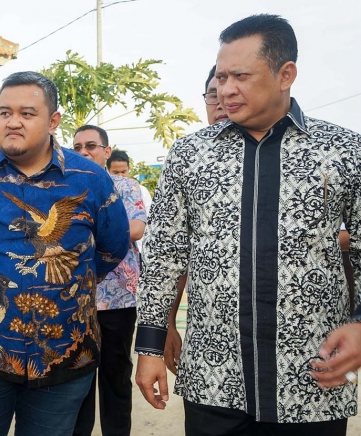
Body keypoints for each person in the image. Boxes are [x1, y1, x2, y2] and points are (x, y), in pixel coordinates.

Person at [135, 14, 361, 435]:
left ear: (285, 74)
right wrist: (148, 347)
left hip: (312, 382)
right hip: (214, 379)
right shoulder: (190, 154)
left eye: (240, 76)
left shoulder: (343, 151)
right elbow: (164, 253)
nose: (226, 89)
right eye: (221, 77)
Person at [0, 71, 130, 435]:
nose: (13, 122)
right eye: (5, 112)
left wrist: (66, 281)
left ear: (53, 121)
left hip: (63, 357)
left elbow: (113, 247)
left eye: (27, 113)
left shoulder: (90, 178)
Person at [72, 125, 147, 436]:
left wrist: (81, 236)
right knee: (76, 383)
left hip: (117, 298)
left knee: (115, 378)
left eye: (91, 146)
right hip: (72, 301)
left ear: (106, 150)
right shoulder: (63, 188)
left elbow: (136, 229)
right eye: (77, 147)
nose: (84, 152)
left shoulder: (126, 186)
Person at [163, 65, 227, 374]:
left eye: (232, 89)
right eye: (213, 94)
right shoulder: (187, 157)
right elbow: (170, 254)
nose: (222, 102)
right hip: (209, 351)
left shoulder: (324, 153)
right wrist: (164, 325)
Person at [105, 149, 152, 255]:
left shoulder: (141, 191)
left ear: (129, 169)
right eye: (115, 172)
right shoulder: (105, 191)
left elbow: (150, 220)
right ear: (108, 170)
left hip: (140, 249)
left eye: (123, 172)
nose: (120, 176)